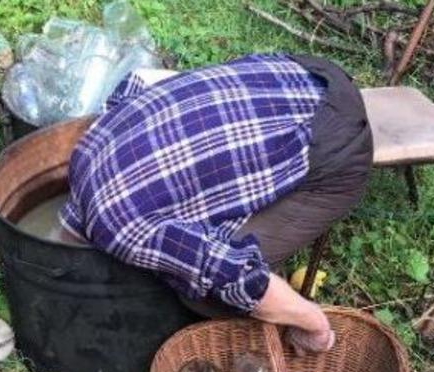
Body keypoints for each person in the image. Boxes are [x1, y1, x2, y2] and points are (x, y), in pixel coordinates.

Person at [60, 53, 372, 352]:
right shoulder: (85, 151)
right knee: (183, 246)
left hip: (338, 143)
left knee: (205, 294)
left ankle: (291, 312)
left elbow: (239, 276)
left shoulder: (121, 231)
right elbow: (138, 80)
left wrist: (315, 325)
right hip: (299, 74)